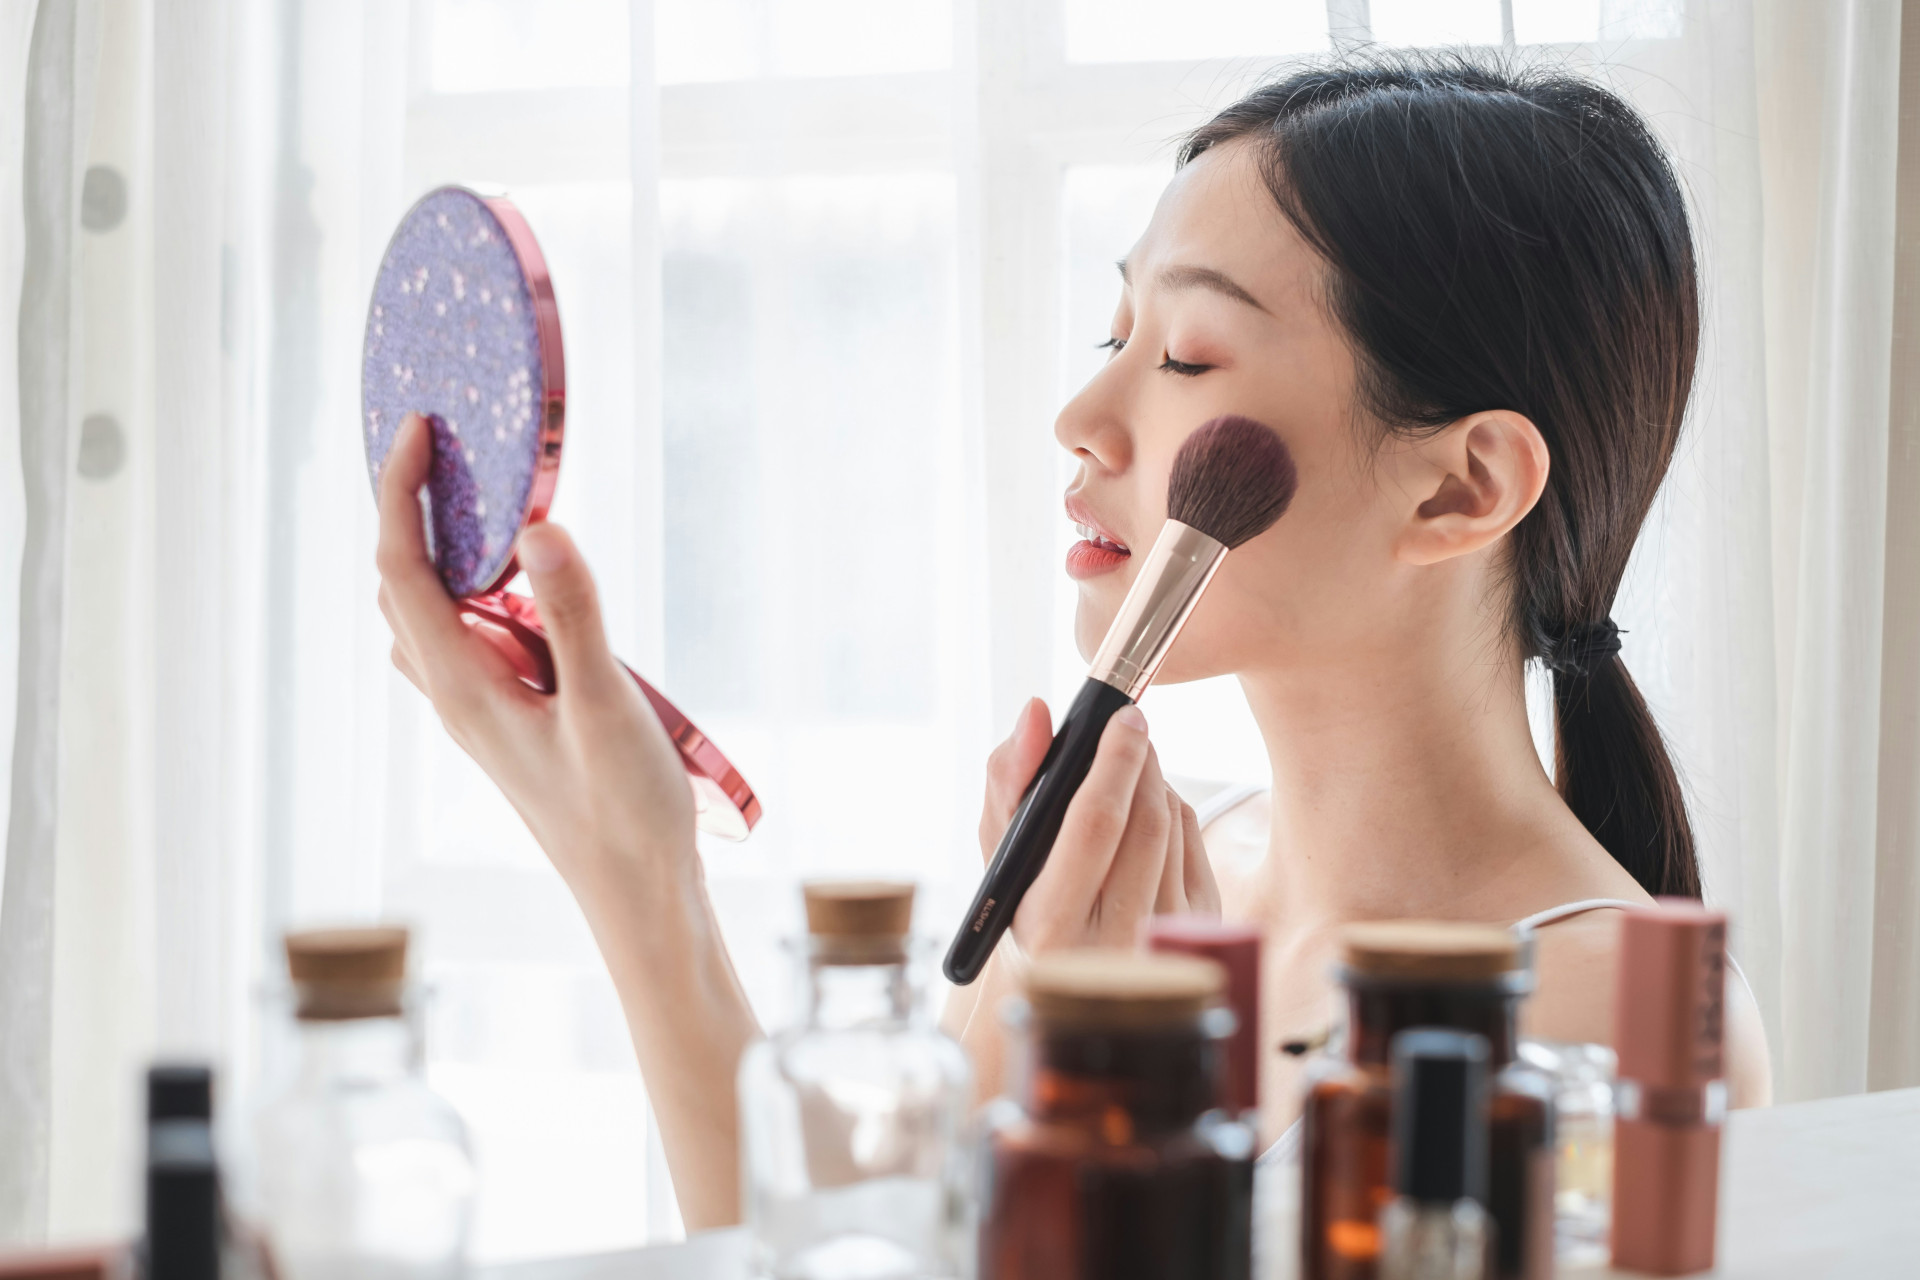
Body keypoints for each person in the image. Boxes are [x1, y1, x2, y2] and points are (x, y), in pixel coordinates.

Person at [375, 55, 1771, 1231]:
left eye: (1186, 357)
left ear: (1462, 488)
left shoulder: (1608, 1016)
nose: (1082, 419)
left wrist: (1121, 1099)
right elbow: (842, 1257)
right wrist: (633, 867)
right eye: (1115, 334)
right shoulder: (1142, 876)